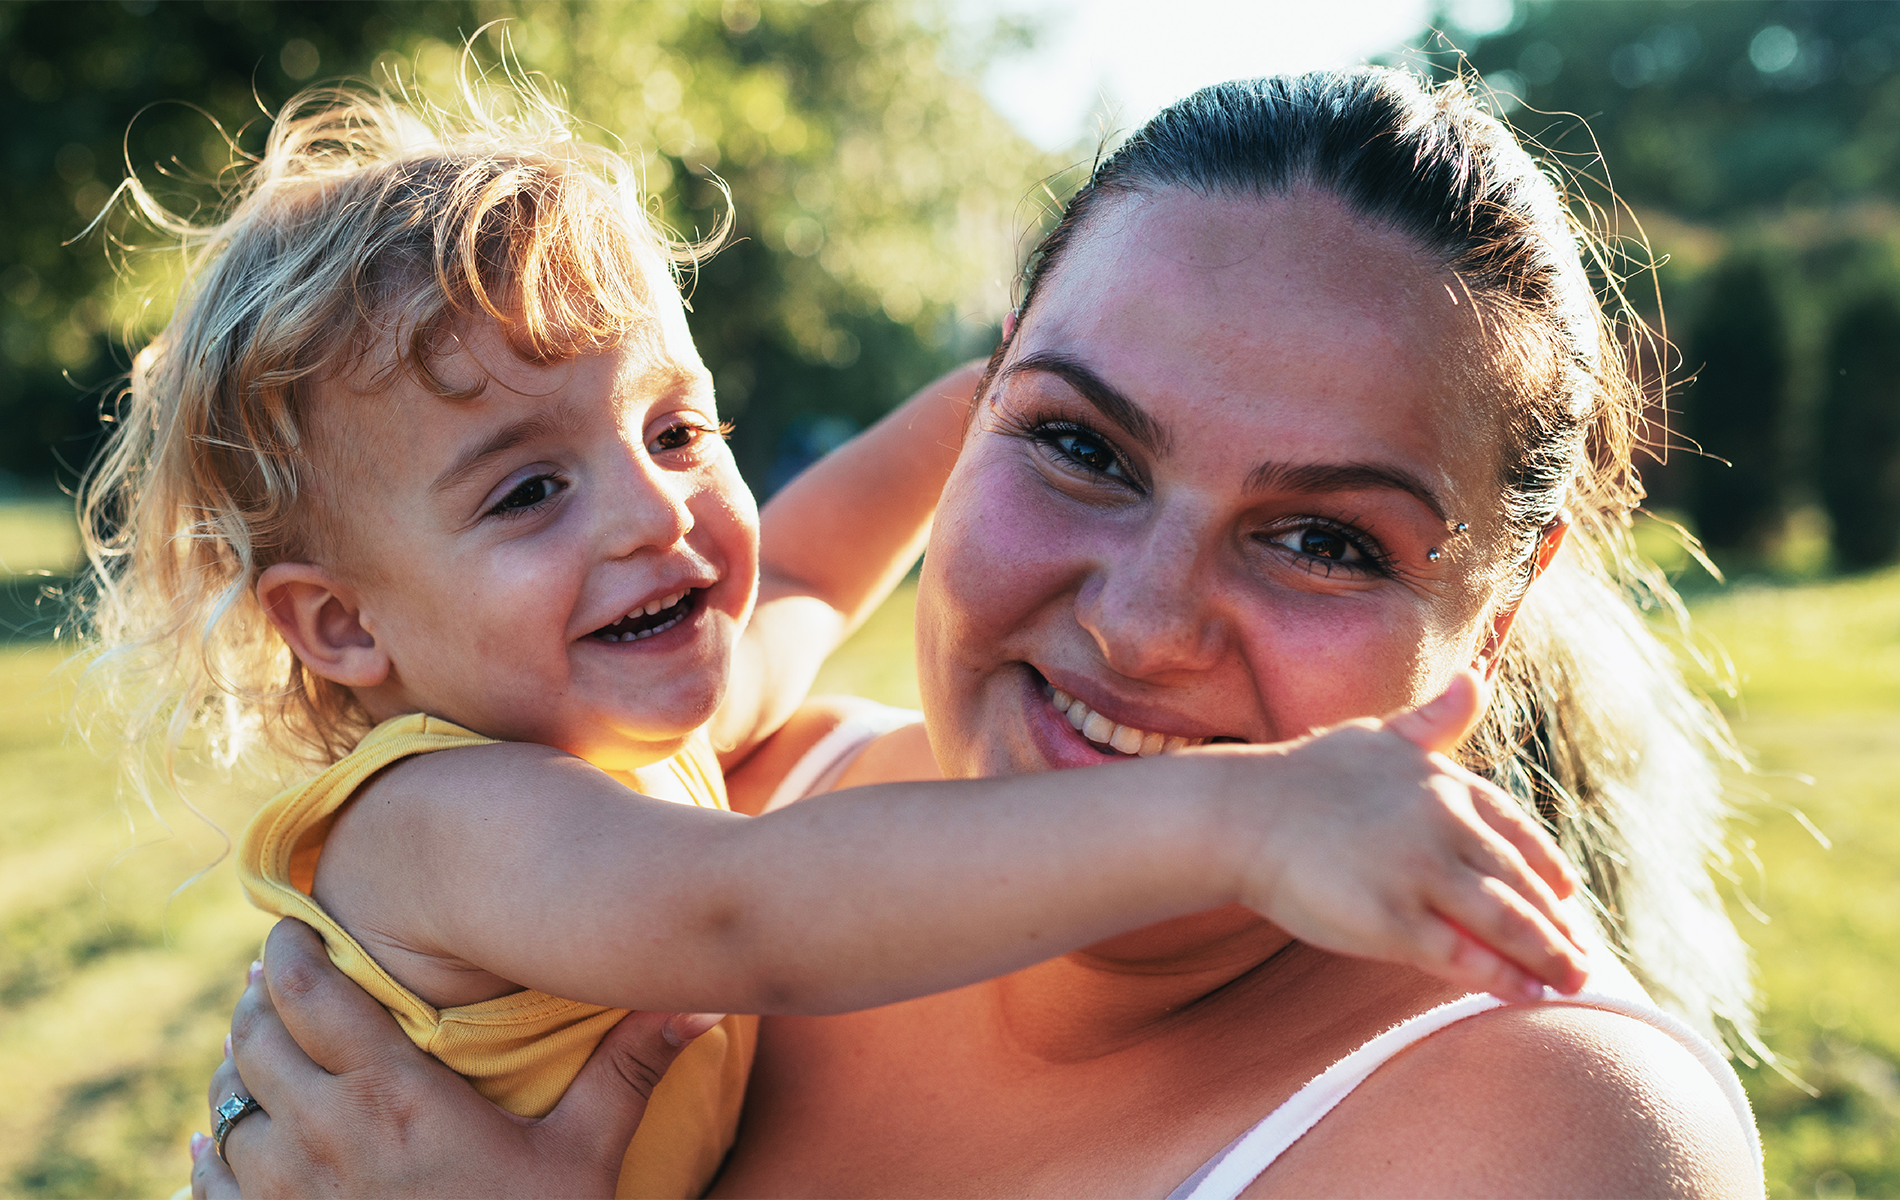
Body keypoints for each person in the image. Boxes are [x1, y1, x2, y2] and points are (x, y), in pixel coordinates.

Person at [192, 68, 1765, 1197]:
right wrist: (1243, 808)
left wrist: (1006, 396)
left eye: (1322, 540)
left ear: (1507, 598)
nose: (1143, 626)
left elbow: (795, 573)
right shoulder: (734, 800)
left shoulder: (1545, 1133)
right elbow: (746, 913)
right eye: (1081, 443)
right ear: (337, 624)